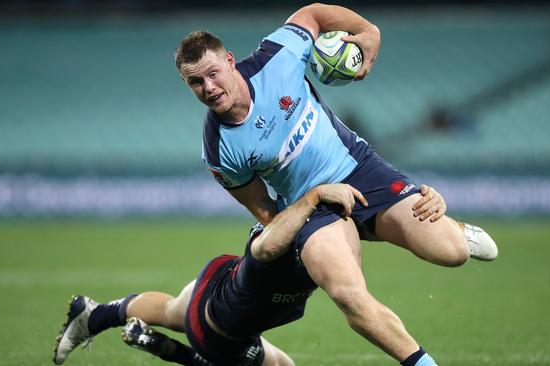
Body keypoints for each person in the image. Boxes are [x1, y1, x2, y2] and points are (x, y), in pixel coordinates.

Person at [176, 2, 498, 362]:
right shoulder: (219, 150)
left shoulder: (277, 58)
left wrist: (368, 32)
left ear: (231, 61)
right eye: (196, 82)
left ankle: (452, 230)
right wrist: (309, 218)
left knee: (451, 253)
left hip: (358, 168)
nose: (209, 87)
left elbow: (312, 13)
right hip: (311, 208)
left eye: (213, 73)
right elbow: (266, 212)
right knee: (348, 297)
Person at [53, 183, 443, 366]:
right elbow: (267, 246)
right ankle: (160, 347)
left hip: (218, 283)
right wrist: (313, 196)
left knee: (174, 309)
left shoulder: (315, 231)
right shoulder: (275, 244)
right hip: (220, 329)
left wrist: (428, 201)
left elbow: (380, 212)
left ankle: (96, 313)